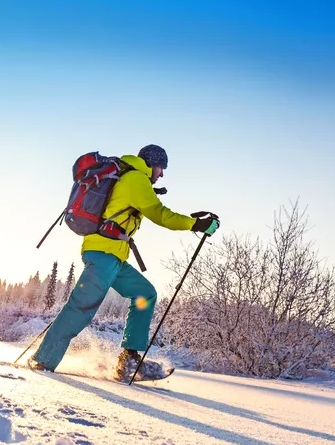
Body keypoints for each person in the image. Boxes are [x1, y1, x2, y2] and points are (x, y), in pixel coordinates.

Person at [29, 144, 219, 381]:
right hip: (103, 255)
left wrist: (191, 221)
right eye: (161, 167)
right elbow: (160, 214)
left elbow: (149, 208)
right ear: (151, 164)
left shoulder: (133, 180)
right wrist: (195, 224)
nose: (162, 173)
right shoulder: (135, 179)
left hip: (114, 257)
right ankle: (43, 361)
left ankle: (129, 360)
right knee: (80, 309)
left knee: (145, 294)